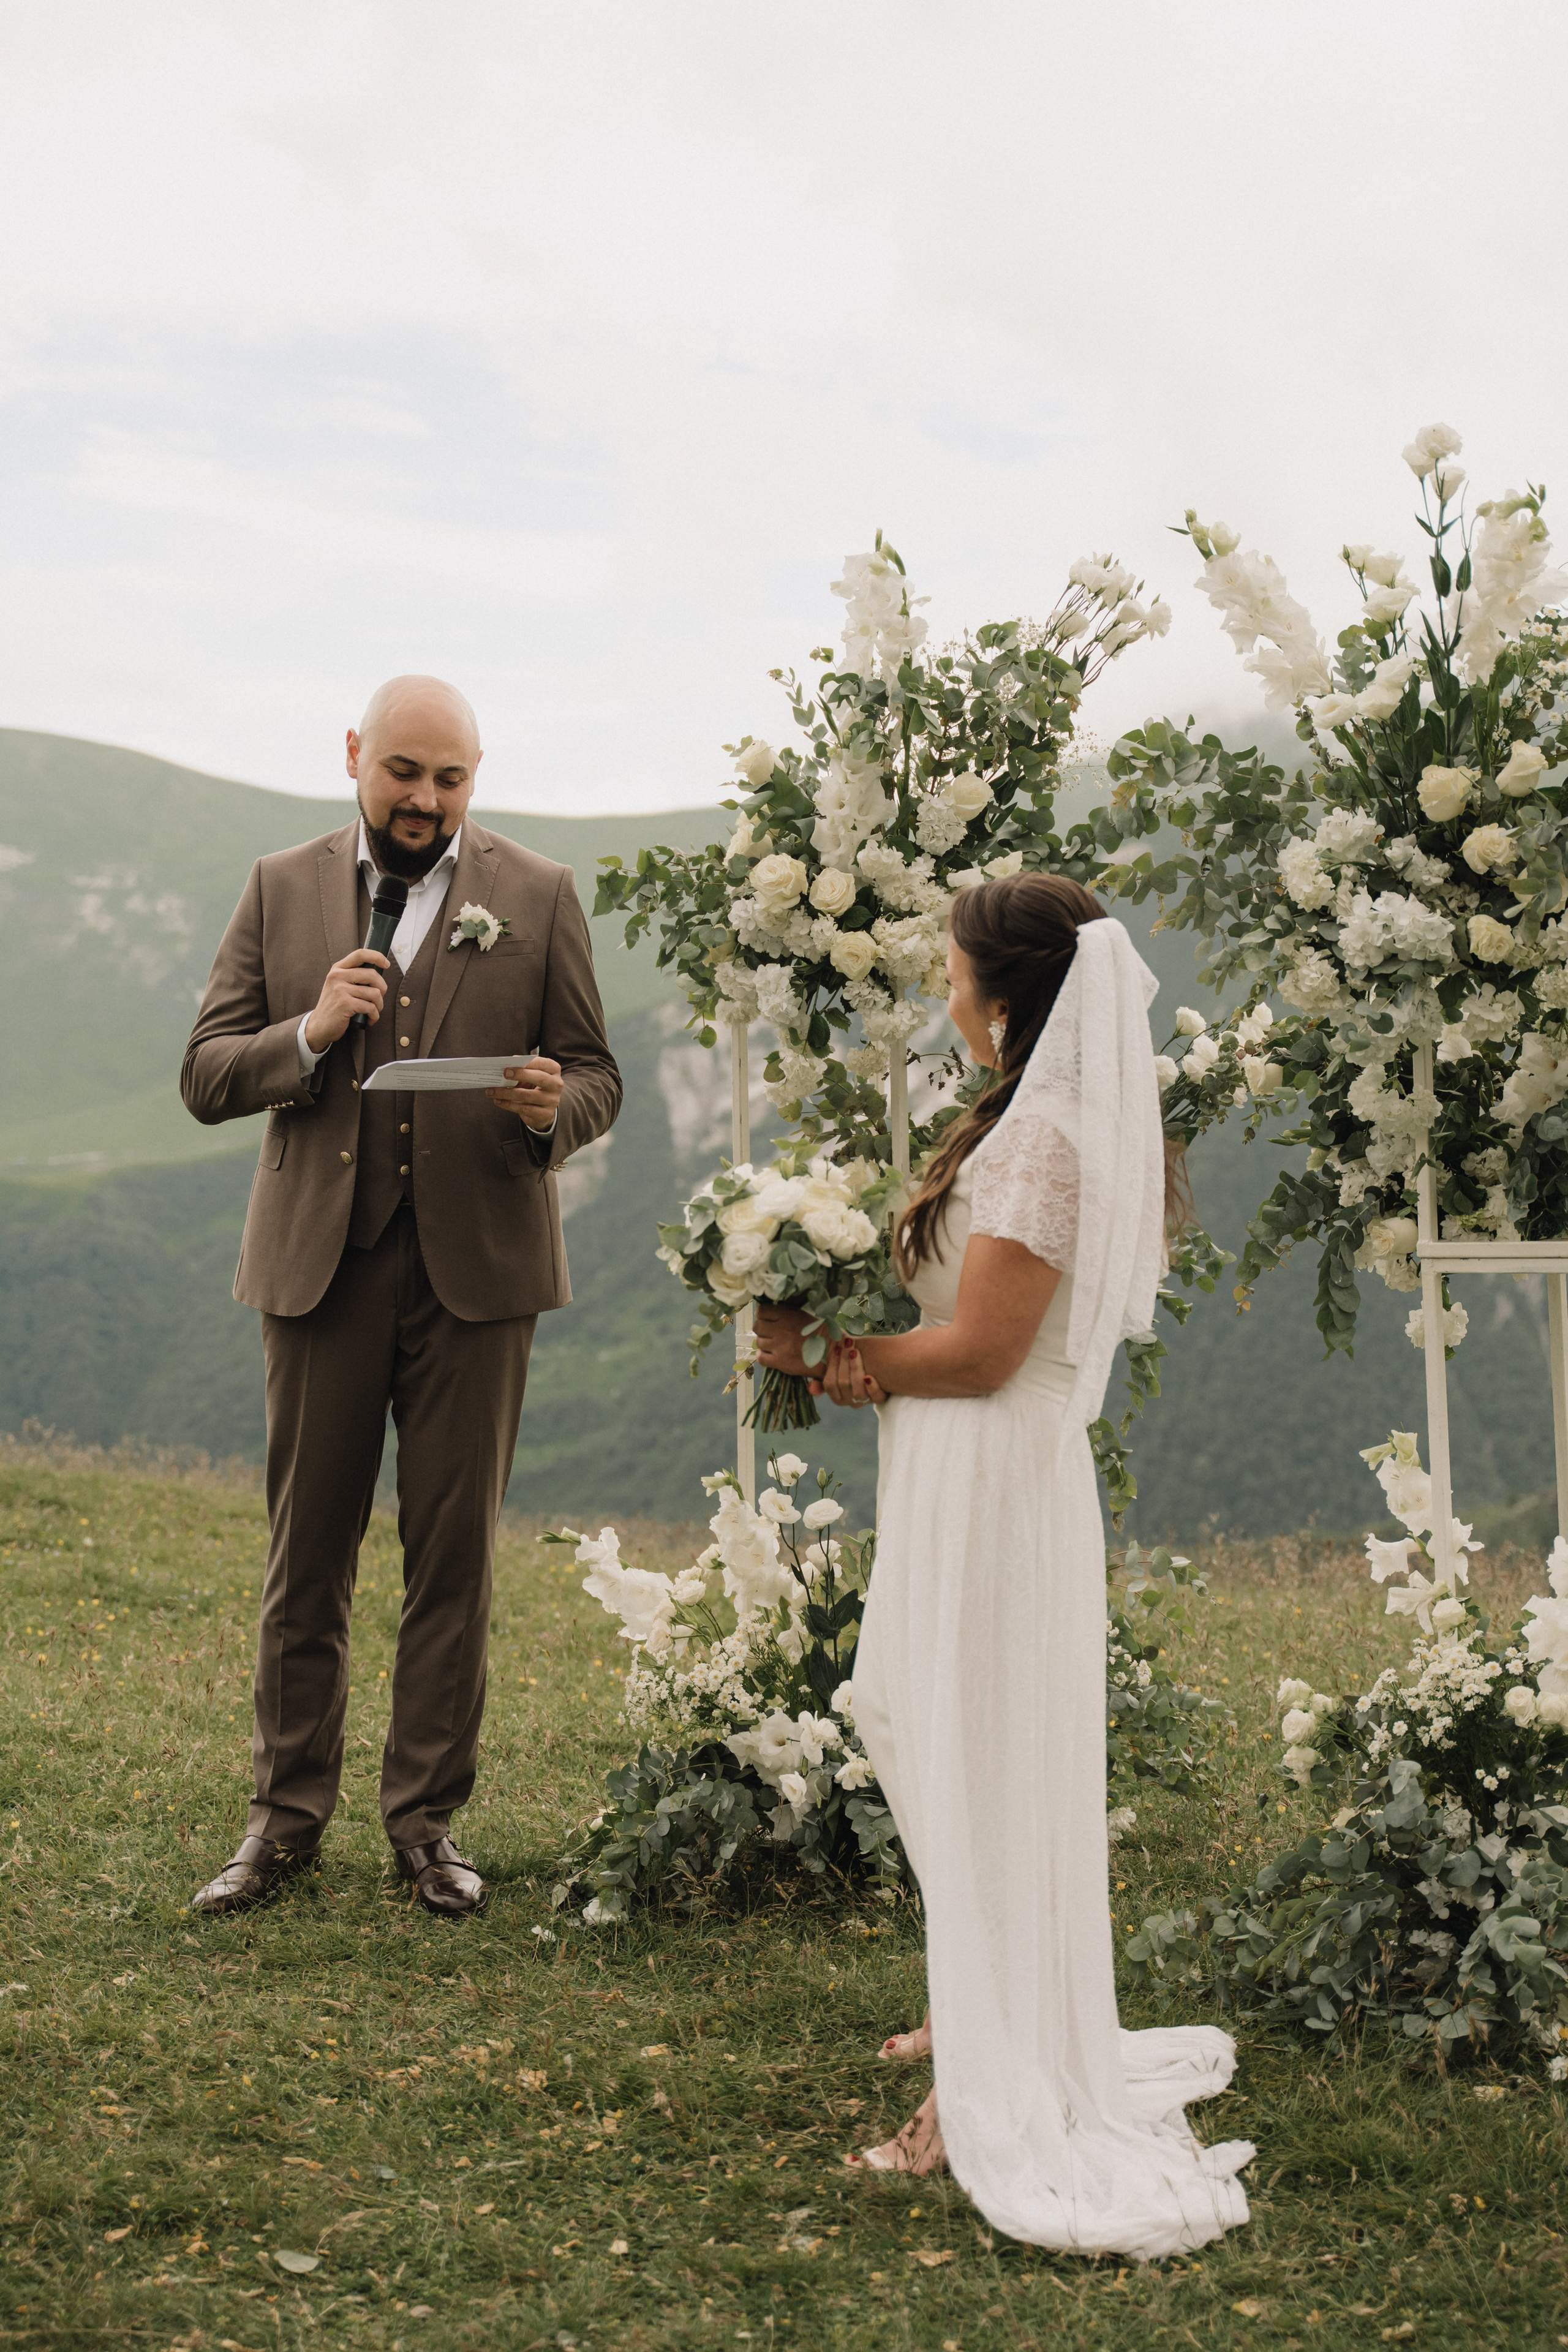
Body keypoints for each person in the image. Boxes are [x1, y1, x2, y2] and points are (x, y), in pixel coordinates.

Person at [755, 875, 1253, 2261]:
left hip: (992, 1468)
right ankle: (988, 2010)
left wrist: (823, 1362)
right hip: (962, 1467)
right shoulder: (1023, 1123)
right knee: (936, 1733)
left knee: (971, 1755)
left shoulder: (1037, 1146)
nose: (944, 991)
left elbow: (981, 1351)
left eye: (955, 971)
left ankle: (976, 2094)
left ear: (1006, 993)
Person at [181, 676, 620, 1920]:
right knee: (304, 1553)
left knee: (454, 1561)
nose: (424, 800)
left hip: (477, 1275)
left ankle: (426, 1827)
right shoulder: (280, 885)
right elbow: (207, 1074)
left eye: (450, 779)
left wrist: (553, 1111)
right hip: (321, 1268)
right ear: (356, 758)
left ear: (473, 778)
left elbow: (595, 1075)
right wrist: (311, 1031)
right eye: (404, 774)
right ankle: (281, 1824)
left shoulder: (537, 895)